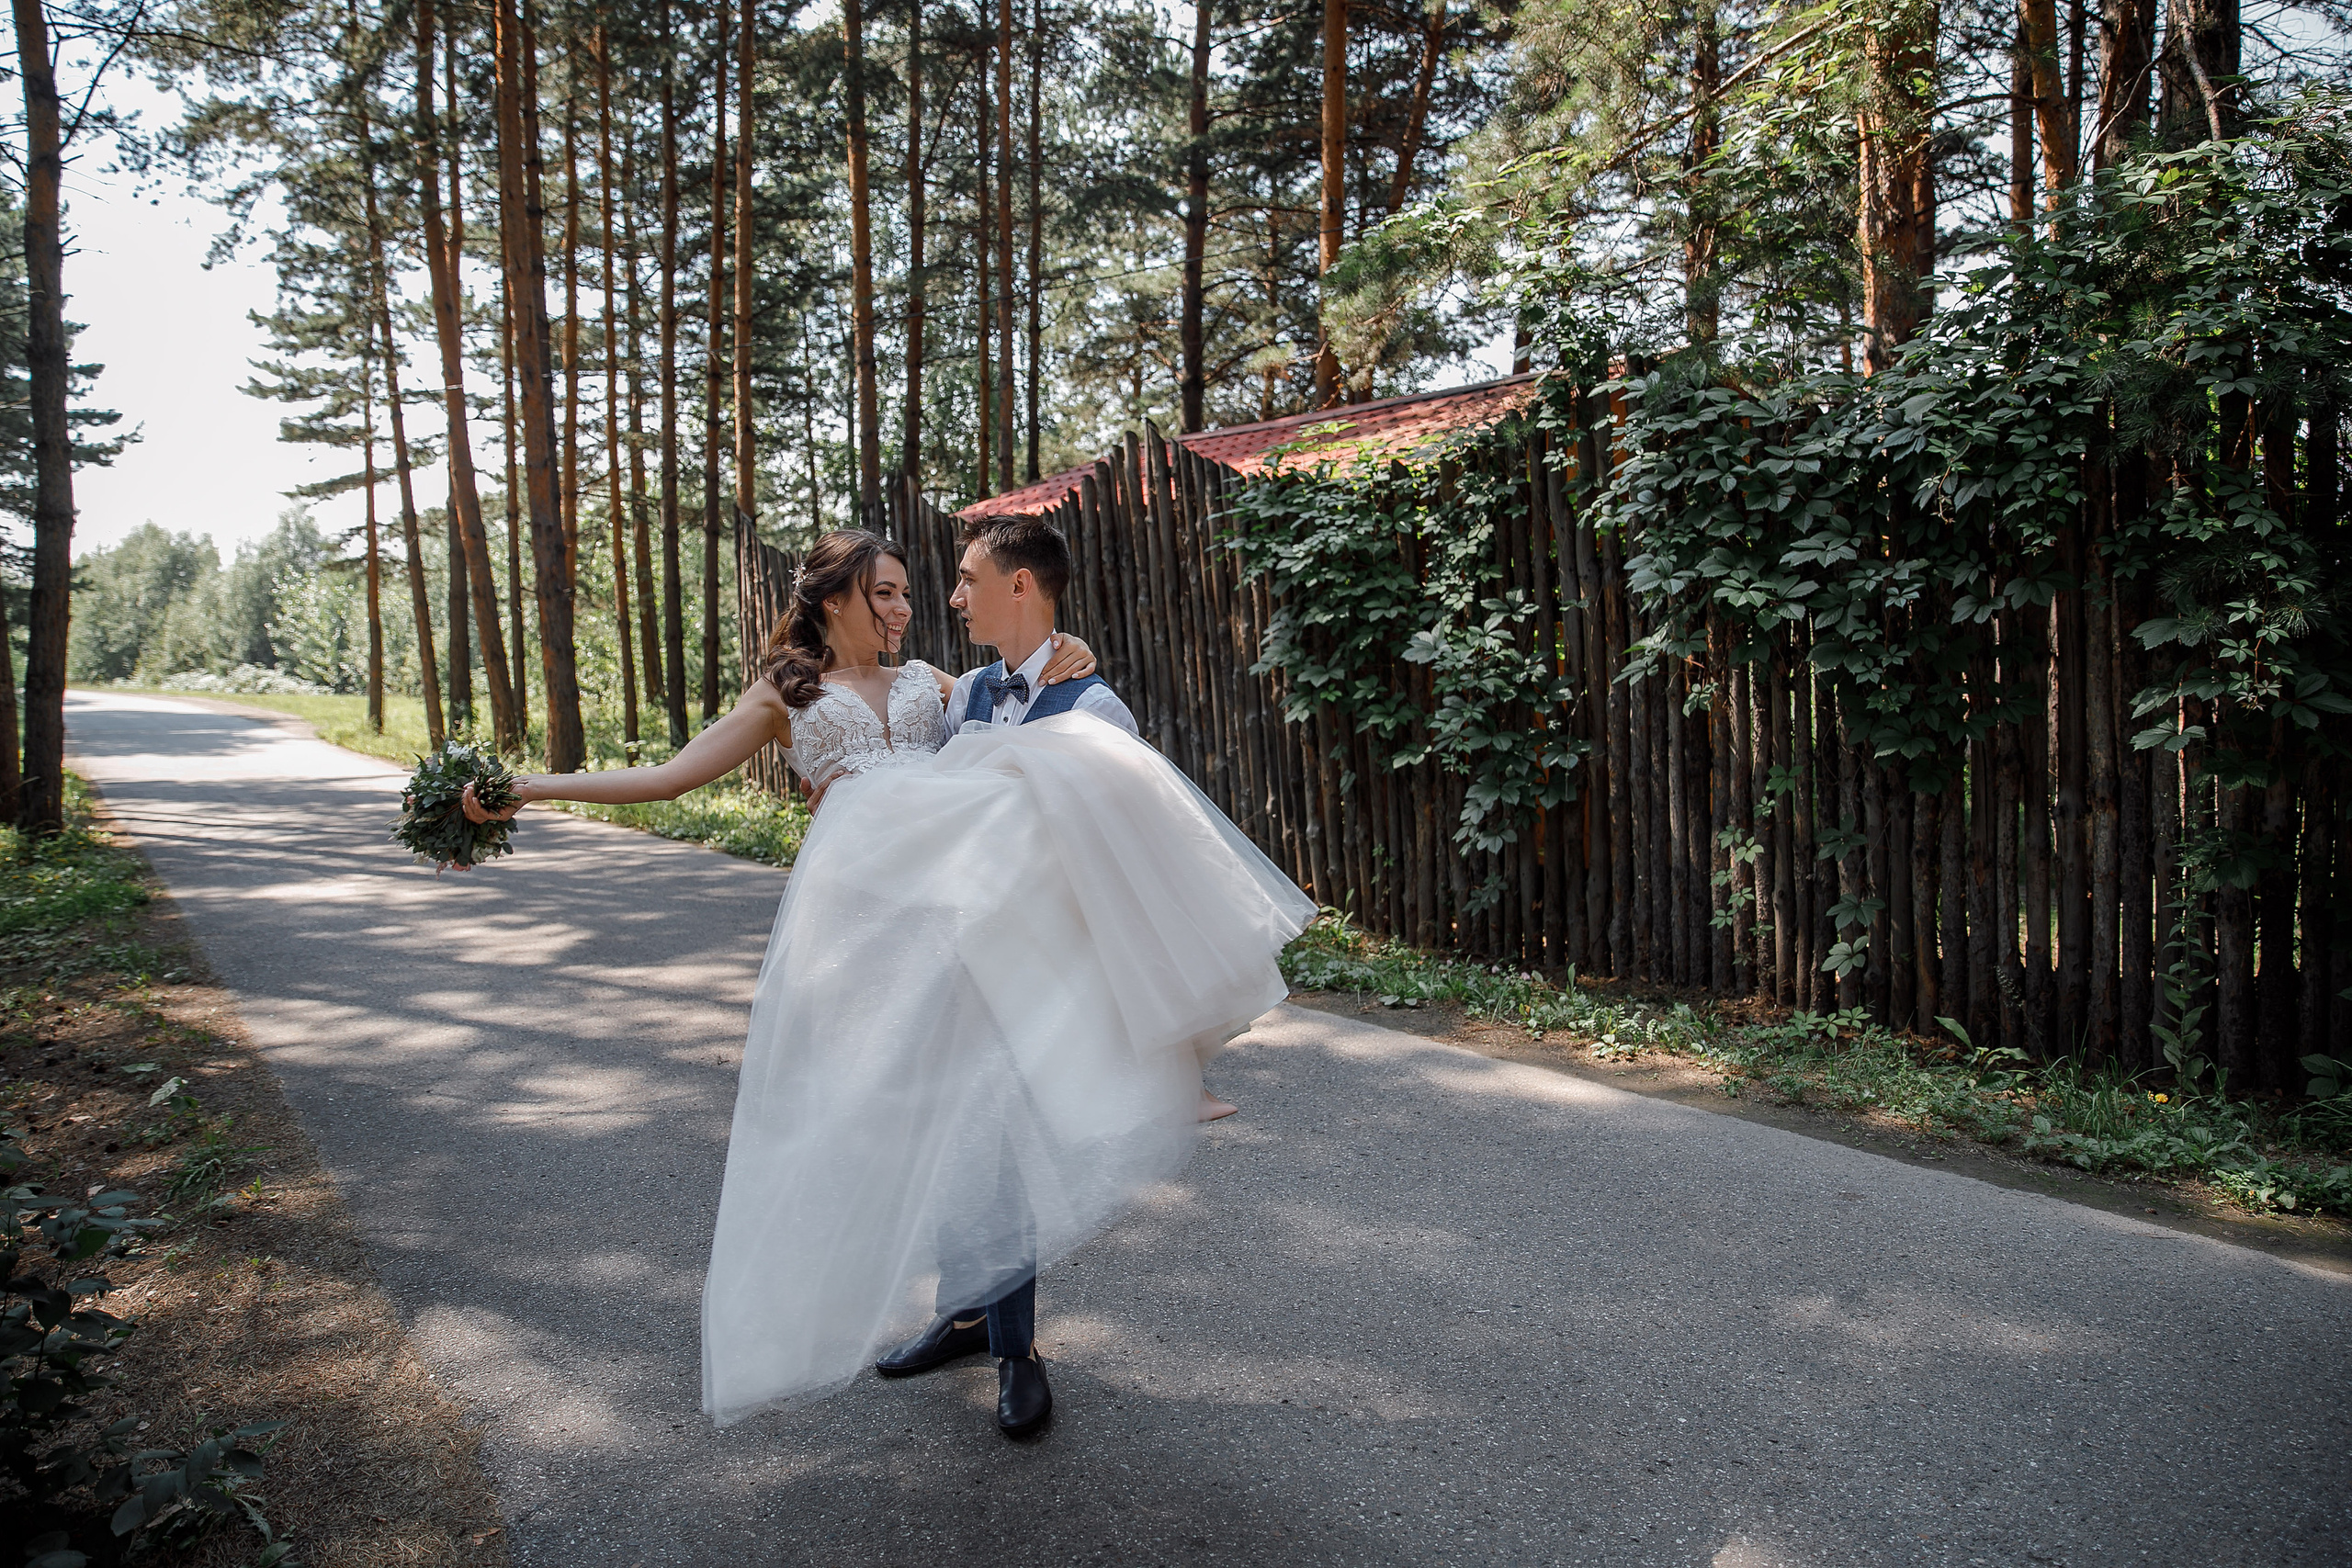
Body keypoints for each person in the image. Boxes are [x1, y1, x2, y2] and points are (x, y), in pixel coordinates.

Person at [463, 523, 1312, 1440]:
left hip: (962, 927)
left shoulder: (931, 685)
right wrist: (530, 788)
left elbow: (1020, 722)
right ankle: (962, 1316)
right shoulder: (786, 694)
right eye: (887, 593)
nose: (908, 610)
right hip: (863, 939)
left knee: (991, 1125)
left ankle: (1016, 1349)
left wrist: (1073, 653)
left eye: (913, 592)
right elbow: (669, 779)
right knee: (926, 1126)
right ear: (834, 599)